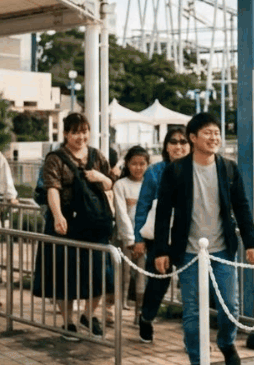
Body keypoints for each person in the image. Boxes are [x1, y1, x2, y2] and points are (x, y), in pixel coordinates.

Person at [152, 112, 254, 365]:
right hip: (188, 252)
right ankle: (197, 361)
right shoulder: (175, 170)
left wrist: (251, 243)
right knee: (193, 311)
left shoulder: (228, 168)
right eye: (208, 133)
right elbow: (163, 212)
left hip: (222, 250)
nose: (214, 138)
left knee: (230, 307)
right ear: (193, 138)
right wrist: (161, 250)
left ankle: (226, 342)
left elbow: (242, 208)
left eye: (217, 133)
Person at [32, 112, 116, 341]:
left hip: (94, 222)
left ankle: (88, 315)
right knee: (64, 274)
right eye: (76, 132)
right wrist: (58, 215)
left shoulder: (97, 156)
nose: (81, 136)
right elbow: (52, 188)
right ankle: (68, 321)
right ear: (66, 134)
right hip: (66, 221)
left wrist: (99, 176)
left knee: (101, 273)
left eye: (84, 131)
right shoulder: (55, 158)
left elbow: (110, 184)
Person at [132, 125, 191, 343]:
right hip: (159, 238)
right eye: (173, 141)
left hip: (188, 237)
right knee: (158, 284)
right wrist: (138, 238)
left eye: (183, 141)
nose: (178, 146)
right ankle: (146, 317)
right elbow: (143, 206)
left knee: (191, 288)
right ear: (166, 146)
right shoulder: (155, 172)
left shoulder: (195, 169)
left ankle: (192, 337)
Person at [113, 145, 150, 311]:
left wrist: (142, 238)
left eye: (142, 163)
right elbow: (121, 214)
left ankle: (140, 312)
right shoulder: (120, 185)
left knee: (142, 275)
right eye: (134, 163)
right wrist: (130, 239)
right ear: (127, 164)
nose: (138, 167)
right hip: (125, 238)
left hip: (145, 238)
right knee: (124, 273)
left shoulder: (151, 184)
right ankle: (120, 305)